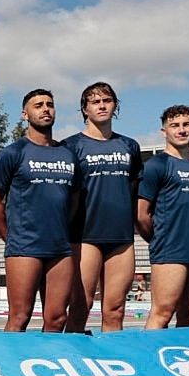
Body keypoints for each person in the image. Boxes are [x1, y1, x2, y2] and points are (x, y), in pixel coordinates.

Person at [0, 89, 80, 332]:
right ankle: (10, 367)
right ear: (24, 114)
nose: (45, 109)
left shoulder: (68, 153)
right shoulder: (13, 153)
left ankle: (47, 365)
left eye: (49, 104)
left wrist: (63, 228)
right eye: (38, 105)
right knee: (20, 316)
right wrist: (10, 237)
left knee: (57, 318)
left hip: (60, 248)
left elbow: (74, 198)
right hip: (24, 246)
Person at [64, 82, 142, 333]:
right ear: (84, 109)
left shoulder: (130, 146)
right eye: (95, 102)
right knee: (80, 306)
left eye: (106, 100)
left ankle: (113, 362)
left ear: (115, 105)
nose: (101, 106)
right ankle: (73, 359)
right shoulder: (71, 146)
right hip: (84, 235)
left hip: (121, 237)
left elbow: (134, 191)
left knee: (115, 309)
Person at [136, 104, 189, 329]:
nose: (181, 130)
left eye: (186, 125)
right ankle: (148, 359)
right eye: (174, 126)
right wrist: (160, 238)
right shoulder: (156, 165)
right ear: (165, 132)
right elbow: (141, 214)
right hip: (171, 251)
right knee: (162, 313)